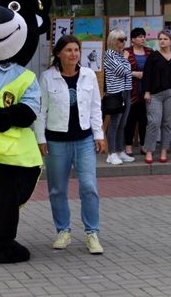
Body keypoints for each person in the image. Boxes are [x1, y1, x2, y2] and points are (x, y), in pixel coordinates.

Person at [34, 35, 106, 255]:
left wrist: (99, 135)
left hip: (84, 140)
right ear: (58, 53)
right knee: (57, 189)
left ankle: (92, 233)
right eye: (68, 50)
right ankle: (63, 230)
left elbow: (95, 107)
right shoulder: (47, 77)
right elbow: (40, 110)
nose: (73, 54)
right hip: (56, 142)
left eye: (76, 50)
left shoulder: (88, 76)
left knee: (89, 187)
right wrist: (40, 139)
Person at [141, 29, 171, 163]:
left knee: (168, 123)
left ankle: (163, 150)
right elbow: (147, 75)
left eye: (165, 39)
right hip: (155, 94)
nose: (162, 41)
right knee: (154, 122)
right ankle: (149, 150)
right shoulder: (153, 56)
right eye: (160, 38)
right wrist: (146, 91)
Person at [103, 29, 134, 165]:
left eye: (124, 39)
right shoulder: (109, 54)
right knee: (114, 124)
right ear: (113, 41)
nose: (123, 42)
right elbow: (122, 71)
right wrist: (126, 59)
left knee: (123, 123)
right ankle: (111, 153)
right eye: (121, 40)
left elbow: (127, 72)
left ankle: (120, 151)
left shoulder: (120, 54)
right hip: (116, 93)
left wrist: (125, 60)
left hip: (126, 91)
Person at [123, 27, 152, 157]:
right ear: (133, 39)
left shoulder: (150, 52)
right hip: (130, 90)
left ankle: (144, 146)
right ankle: (128, 146)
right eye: (140, 36)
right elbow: (120, 70)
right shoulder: (126, 52)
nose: (143, 39)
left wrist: (145, 74)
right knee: (130, 119)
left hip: (146, 90)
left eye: (144, 36)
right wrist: (133, 73)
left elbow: (155, 70)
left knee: (144, 120)